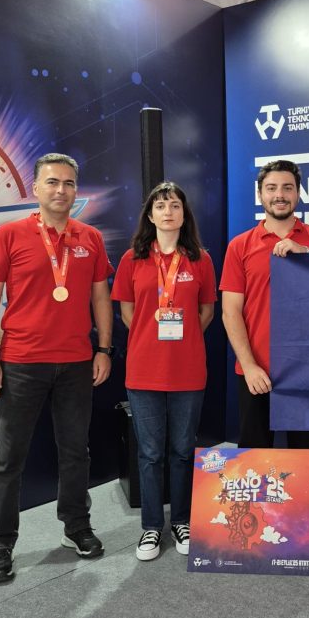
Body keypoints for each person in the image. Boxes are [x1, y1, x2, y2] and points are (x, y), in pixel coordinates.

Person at [0, 153, 114, 584]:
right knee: (8, 459)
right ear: (35, 188)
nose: (61, 190)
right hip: (20, 362)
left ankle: (76, 526)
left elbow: (100, 297)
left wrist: (104, 348)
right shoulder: (10, 234)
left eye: (69, 183)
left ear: (76, 190)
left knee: (75, 452)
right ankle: (0, 543)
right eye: (52, 182)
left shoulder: (90, 237)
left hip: (75, 363)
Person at [111, 182, 216, 561]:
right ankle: (152, 527)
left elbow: (206, 312)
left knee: (183, 451)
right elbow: (126, 312)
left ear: (184, 215)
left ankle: (182, 521)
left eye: (174, 206)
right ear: (150, 215)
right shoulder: (132, 259)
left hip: (188, 370)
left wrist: (182, 338)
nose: (168, 212)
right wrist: (151, 337)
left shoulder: (200, 259)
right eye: (160, 206)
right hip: (144, 371)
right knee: (151, 453)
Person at [220, 159, 309, 448]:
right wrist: (249, 365)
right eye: (271, 188)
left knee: (306, 456)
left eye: (287, 187)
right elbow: (230, 312)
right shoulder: (240, 245)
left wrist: (307, 256)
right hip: (257, 370)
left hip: (308, 370)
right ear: (260, 194)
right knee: (254, 457)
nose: (280, 195)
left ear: (298, 193)